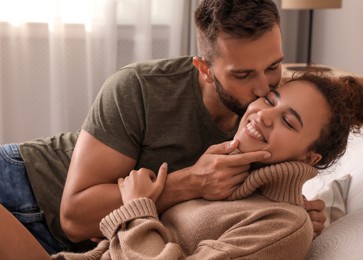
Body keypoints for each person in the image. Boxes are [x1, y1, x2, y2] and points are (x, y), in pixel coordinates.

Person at [0, 0, 326, 254]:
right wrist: (190, 183)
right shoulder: (139, 86)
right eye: (242, 75)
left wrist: (297, 208)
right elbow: (73, 219)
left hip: (93, 247)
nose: (263, 90)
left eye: (272, 67)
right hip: (26, 187)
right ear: (205, 70)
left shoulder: (264, 118)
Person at [0, 72, 363, 259]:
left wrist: (135, 212)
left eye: (289, 121)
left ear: (309, 157)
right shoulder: (225, 176)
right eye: (271, 100)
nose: (264, 115)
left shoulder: (285, 223)